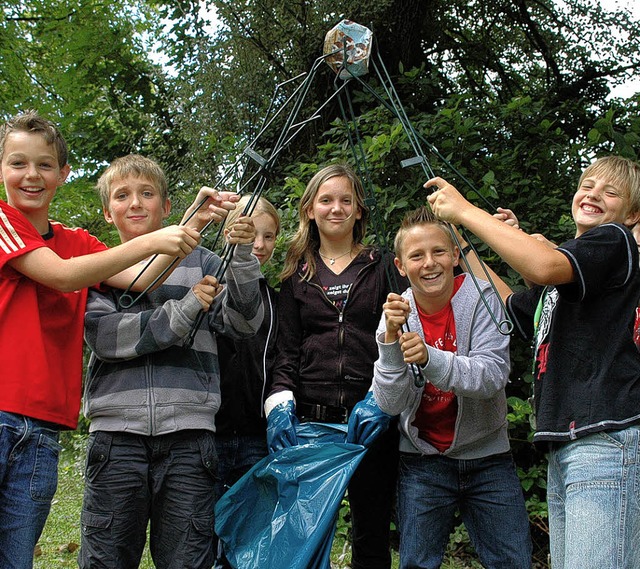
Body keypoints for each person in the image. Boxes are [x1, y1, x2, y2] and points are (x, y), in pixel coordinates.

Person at [0, 111, 211, 569]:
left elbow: (140, 278)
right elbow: (60, 276)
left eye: (44, 165)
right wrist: (156, 239)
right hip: (2, 414)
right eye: (18, 163)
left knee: (15, 558)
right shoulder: (3, 222)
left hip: (40, 426)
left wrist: (194, 221)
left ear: (63, 173)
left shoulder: (76, 240)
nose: (31, 175)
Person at [426, 155, 640, 569]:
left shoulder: (615, 241)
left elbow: (542, 264)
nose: (593, 193)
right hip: (570, 446)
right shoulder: (568, 283)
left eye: (610, 191)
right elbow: (508, 307)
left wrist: (465, 211)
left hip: (606, 439)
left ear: (632, 214)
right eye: (588, 184)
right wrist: (464, 245)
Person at [78, 154, 264, 569]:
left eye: (147, 193)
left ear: (166, 207)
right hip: (116, 439)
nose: (136, 203)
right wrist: (184, 311)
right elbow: (108, 338)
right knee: (106, 560)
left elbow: (244, 322)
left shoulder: (202, 262)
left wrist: (245, 256)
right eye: (122, 196)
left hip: (189, 439)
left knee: (187, 561)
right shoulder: (97, 268)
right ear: (108, 213)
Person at [371, 206, 532, 569]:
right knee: (416, 563)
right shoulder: (397, 311)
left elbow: (491, 376)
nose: (429, 263)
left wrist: (430, 358)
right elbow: (390, 403)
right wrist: (390, 341)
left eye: (439, 252)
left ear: (456, 256)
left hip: (488, 456)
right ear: (400, 266)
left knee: (513, 562)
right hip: (422, 461)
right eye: (417, 256)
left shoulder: (482, 298)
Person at [264, 163, 405, 569]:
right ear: (310, 209)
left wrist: (383, 400)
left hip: (372, 421)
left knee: (371, 534)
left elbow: (403, 336)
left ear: (360, 210)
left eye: (346, 200)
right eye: (326, 200)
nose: (336, 208)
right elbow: (286, 352)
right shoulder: (296, 276)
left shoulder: (381, 266)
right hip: (312, 420)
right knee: (303, 535)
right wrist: (280, 405)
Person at [213, 195, 280, 569]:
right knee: (206, 532)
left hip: (257, 433)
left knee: (250, 536)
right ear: (230, 232)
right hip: (210, 431)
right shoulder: (208, 288)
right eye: (251, 233)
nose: (259, 244)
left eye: (268, 236)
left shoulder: (276, 300)